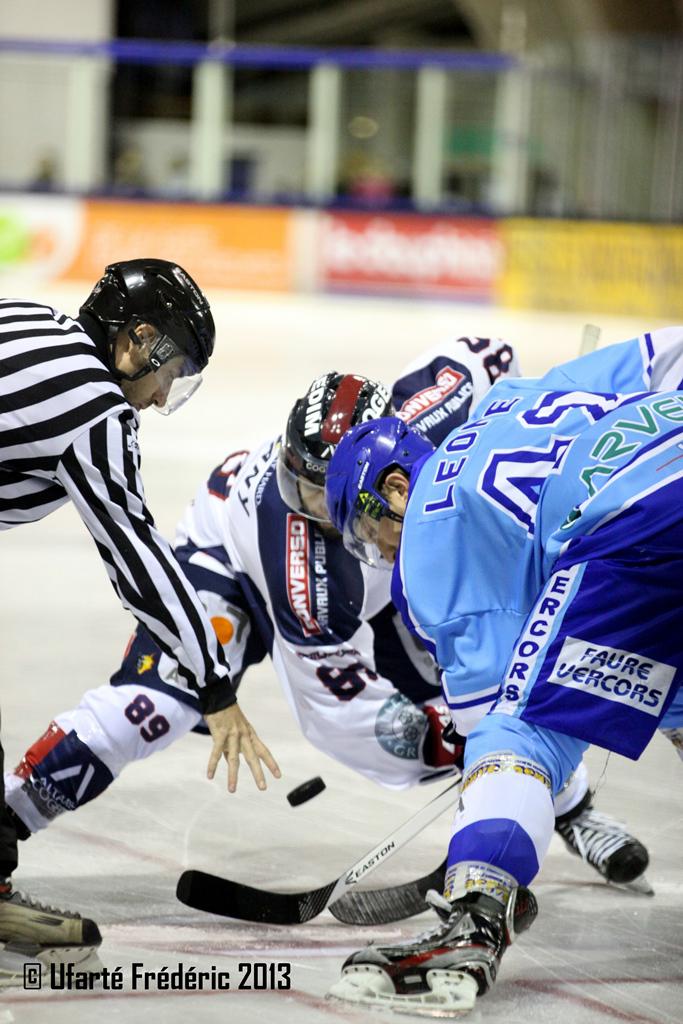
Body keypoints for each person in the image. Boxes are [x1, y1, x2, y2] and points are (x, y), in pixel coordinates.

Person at [5, 338, 646, 901]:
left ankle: (569, 804)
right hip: (227, 563)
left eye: (322, 486)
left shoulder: (424, 415)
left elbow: (486, 354)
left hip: (380, 566)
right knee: (155, 704)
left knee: (471, 688)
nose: (313, 505)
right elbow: (339, 713)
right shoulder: (307, 569)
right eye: (300, 480)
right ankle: (11, 814)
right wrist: (439, 742)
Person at [325, 325, 683, 1015]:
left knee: (518, 739)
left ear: (395, 487)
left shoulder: (426, 538)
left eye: (369, 530)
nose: (379, 550)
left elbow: (501, 723)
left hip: (641, 525)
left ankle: (473, 923)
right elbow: (661, 356)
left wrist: (489, 812)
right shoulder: (513, 398)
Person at [0, 259, 278, 984]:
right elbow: (140, 565)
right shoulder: (94, 408)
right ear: (138, 339)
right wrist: (214, 684)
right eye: (171, 371)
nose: (159, 399)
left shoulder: (31, 320)